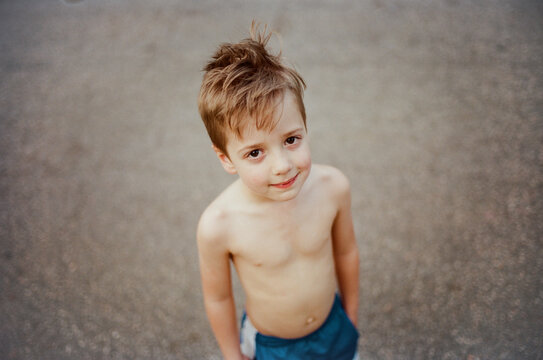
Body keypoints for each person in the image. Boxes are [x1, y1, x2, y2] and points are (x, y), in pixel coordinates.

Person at [196, 21, 360, 360]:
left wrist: (352, 318)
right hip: (273, 347)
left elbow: (346, 253)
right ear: (226, 158)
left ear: (305, 127)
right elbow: (219, 298)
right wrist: (231, 355)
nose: (282, 165)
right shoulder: (219, 225)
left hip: (335, 329)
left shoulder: (332, 187)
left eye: (291, 140)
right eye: (255, 152)